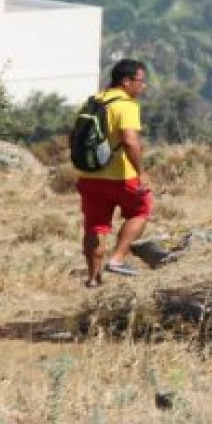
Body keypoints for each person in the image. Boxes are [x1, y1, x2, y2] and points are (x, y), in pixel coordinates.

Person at [77, 58, 153, 288]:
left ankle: (92, 278)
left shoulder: (93, 101)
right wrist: (141, 172)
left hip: (90, 175)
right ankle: (118, 259)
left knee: (95, 226)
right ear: (126, 81)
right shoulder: (126, 105)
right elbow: (130, 141)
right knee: (141, 209)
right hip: (121, 175)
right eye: (140, 81)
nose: (143, 86)